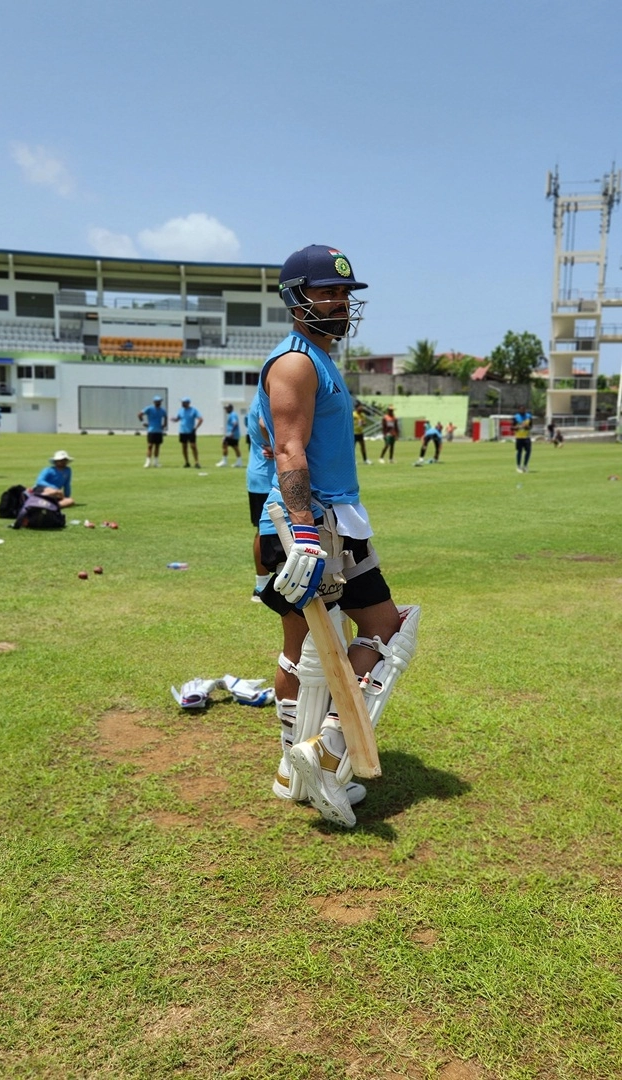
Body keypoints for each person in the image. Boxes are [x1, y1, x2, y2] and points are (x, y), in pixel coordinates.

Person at [257, 244, 418, 828]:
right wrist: (303, 536)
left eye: (346, 293)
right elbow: (288, 450)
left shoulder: (317, 359)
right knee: (388, 631)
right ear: (297, 298)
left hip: (315, 522)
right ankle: (325, 748)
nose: (340, 302)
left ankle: (289, 770)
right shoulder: (296, 362)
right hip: (318, 525)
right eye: (327, 291)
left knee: (302, 649)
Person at [246, 393, 276, 602]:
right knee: (266, 530)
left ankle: (262, 584)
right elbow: (264, 424)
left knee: (261, 529)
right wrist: (278, 445)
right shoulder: (266, 397)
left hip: (258, 476)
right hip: (267, 476)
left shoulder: (258, 397)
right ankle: (262, 586)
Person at [172, 397, 203, 467]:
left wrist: (196, 427)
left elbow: (200, 419)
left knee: (193, 446)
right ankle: (186, 462)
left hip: (191, 431)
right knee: (184, 447)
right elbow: (178, 418)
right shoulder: (180, 410)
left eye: (184, 402)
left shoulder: (193, 410)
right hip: (182, 431)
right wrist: (174, 419)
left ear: (188, 403)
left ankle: (196, 462)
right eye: (182, 402)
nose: (182, 404)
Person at [138, 395, 167, 467]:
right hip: (151, 430)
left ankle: (156, 462)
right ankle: (147, 462)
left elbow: (165, 416)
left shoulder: (162, 410)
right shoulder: (149, 408)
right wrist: (142, 423)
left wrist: (164, 425)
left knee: (157, 446)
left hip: (159, 431)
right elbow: (140, 414)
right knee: (150, 446)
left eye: (160, 401)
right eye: (157, 401)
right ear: (154, 402)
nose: (159, 403)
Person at [513, 408, 533, 473]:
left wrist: (526, 427)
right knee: (519, 451)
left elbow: (531, 427)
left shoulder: (529, 416)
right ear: (519, 410)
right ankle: (518, 466)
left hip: (526, 437)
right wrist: (518, 427)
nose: (522, 411)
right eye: (521, 409)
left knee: (528, 451)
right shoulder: (516, 417)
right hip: (519, 437)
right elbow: (512, 427)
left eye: (523, 409)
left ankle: (525, 465)